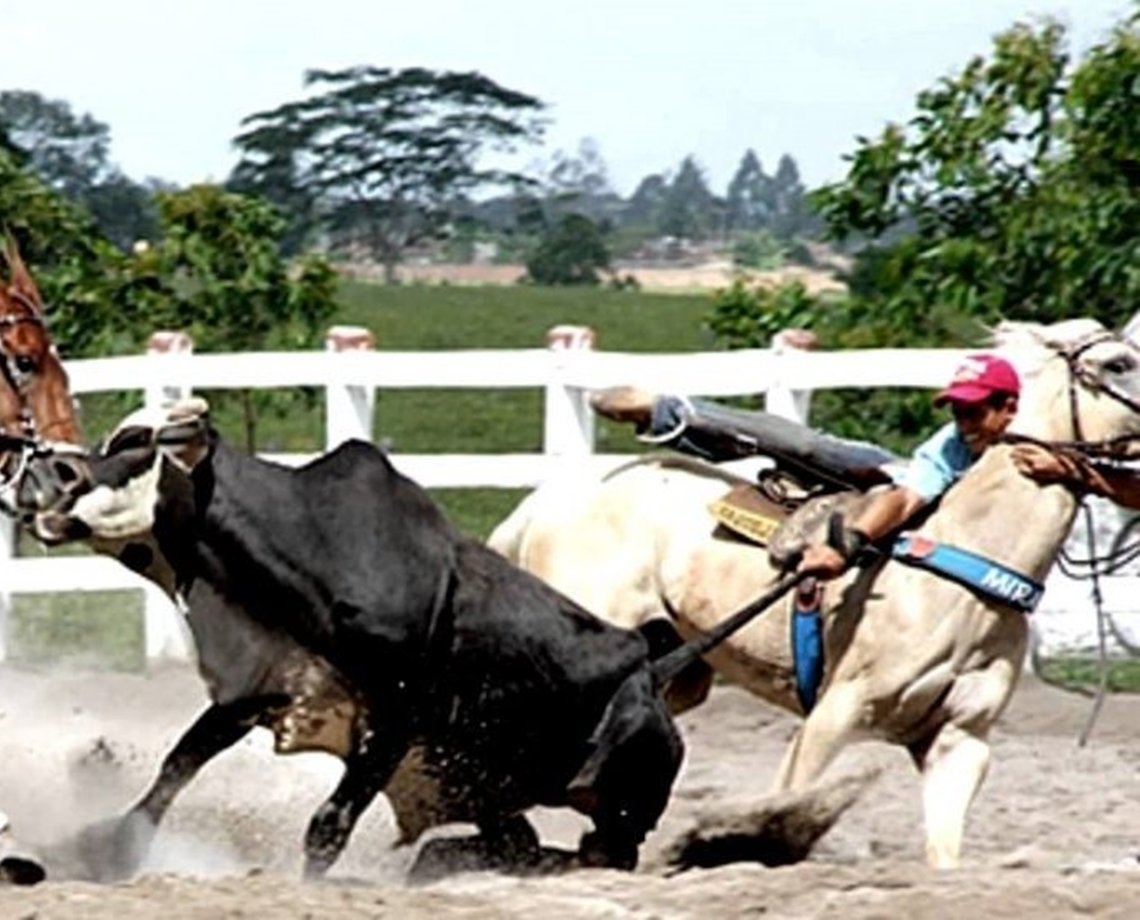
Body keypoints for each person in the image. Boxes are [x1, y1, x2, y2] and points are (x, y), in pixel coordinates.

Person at [796, 353, 1021, 579]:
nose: (964, 426)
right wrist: (852, 541)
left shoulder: (1043, 439)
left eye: (973, 412)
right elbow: (906, 497)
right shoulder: (951, 444)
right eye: (957, 413)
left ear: (1009, 409)